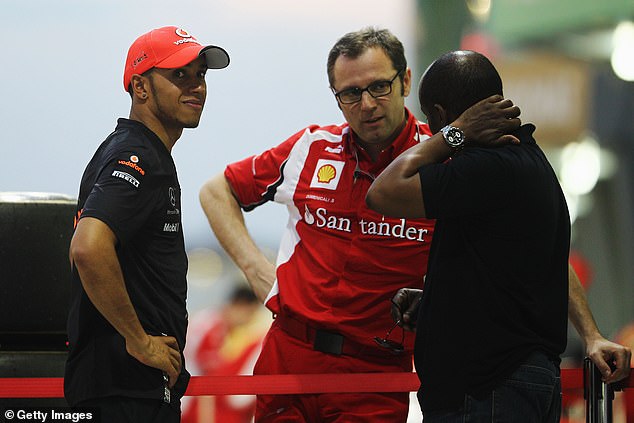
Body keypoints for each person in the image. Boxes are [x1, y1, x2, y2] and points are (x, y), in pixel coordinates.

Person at [199, 27, 520, 422]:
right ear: (336, 97)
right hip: (288, 356)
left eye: (379, 87)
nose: (367, 104)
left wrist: (588, 333)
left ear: (405, 81)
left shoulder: (445, 162)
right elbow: (217, 192)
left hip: (375, 371)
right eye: (350, 93)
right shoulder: (310, 148)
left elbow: (526, 238)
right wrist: (256, 270)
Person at [366, 50, 631, 422]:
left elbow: (383, 192)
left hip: (489, 391)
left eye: (432, 120)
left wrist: (453, 136)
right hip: (507, 386)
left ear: (441, 115)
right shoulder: (530, 161)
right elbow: (548, 264)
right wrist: (440, 300)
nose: (431, 130)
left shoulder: (485, 168)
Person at [64, 26, 229, 422]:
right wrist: (140, 342)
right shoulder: (138, 156)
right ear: (141, 88)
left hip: (124, 389)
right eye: (179, 75)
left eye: (200, 75)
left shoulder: (134, 150)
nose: (196, 86)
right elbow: (87, 247)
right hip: (126, 393)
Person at [182, 285, 269, 423]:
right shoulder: (209, 325)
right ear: (238, 306)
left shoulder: (234, 332)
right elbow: (202, 374)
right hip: (191, 398)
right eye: (248, 313)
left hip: (206, 399)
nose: (248, 319)